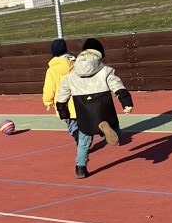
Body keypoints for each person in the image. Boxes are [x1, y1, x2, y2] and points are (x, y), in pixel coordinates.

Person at [55, 39, 135, 179]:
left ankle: (80, 168)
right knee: (115, 132)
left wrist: (63, 112)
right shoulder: (105, 71)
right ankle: (107, 130)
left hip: (84, 111)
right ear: (99, 54)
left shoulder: (71, 75)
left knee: (83, 140)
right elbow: (117, 86)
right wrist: (126, 102)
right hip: (103, 107)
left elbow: (62, 94)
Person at [41, 38, 78, 142]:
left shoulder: (52, 70)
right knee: (81, 121)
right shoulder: (76, 64)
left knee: (72, 124)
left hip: (63, 103)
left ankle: (77, 135)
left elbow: (49, 87)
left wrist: (47, 101)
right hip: (79, 99)